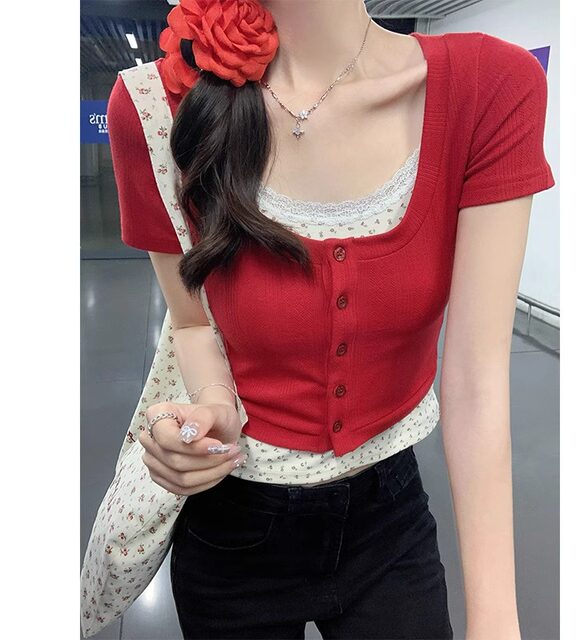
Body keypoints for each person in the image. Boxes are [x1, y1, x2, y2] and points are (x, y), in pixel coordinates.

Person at [106, 1, 555, 638]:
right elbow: (193, 322)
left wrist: (496, 621)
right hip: (232, 531)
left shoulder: (490, 86)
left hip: (389, 521)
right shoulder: (154, 106)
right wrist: (213, 406)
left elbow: (478, 379)